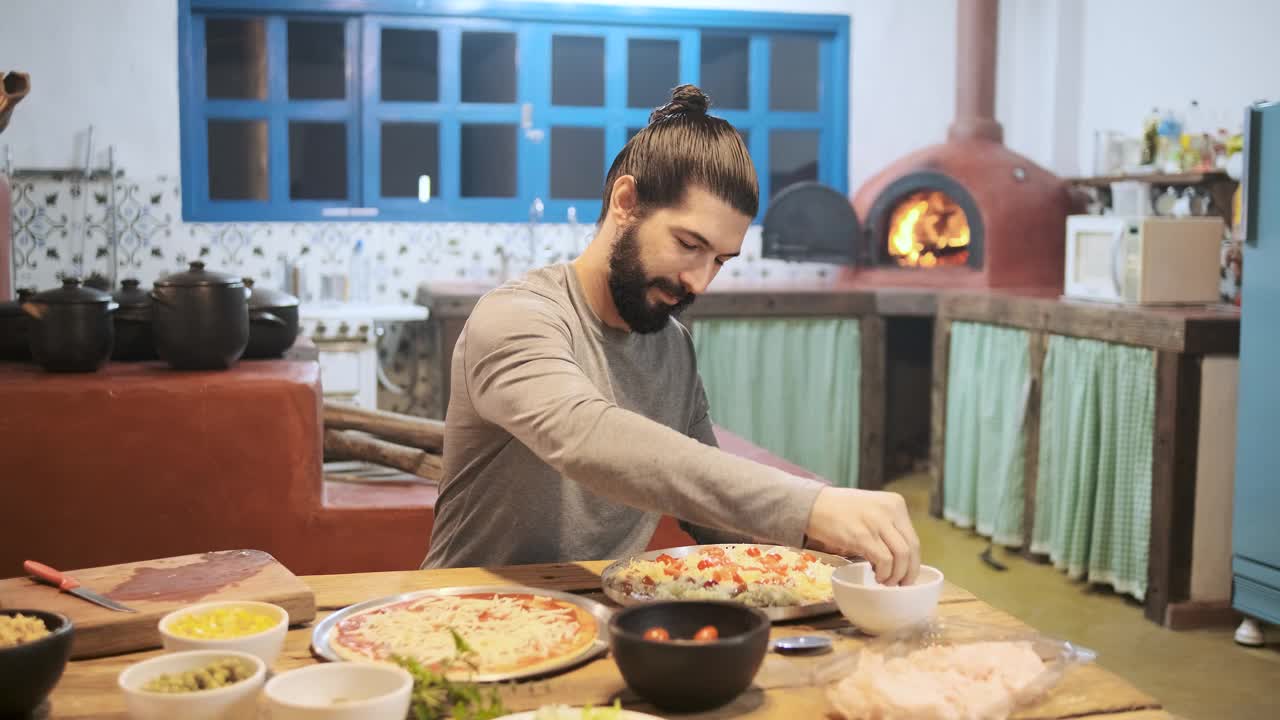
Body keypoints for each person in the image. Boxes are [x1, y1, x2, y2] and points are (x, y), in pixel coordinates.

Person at [422, 84, 921, 586]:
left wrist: (823, 541)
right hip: (466, 619)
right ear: (626, 201)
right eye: (688, 244)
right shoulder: (518, 316)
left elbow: (708, 513)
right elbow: (581, 434)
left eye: (720, 261)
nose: (699, 281)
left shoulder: (672, 345)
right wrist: (809, 504)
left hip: (605, 618)